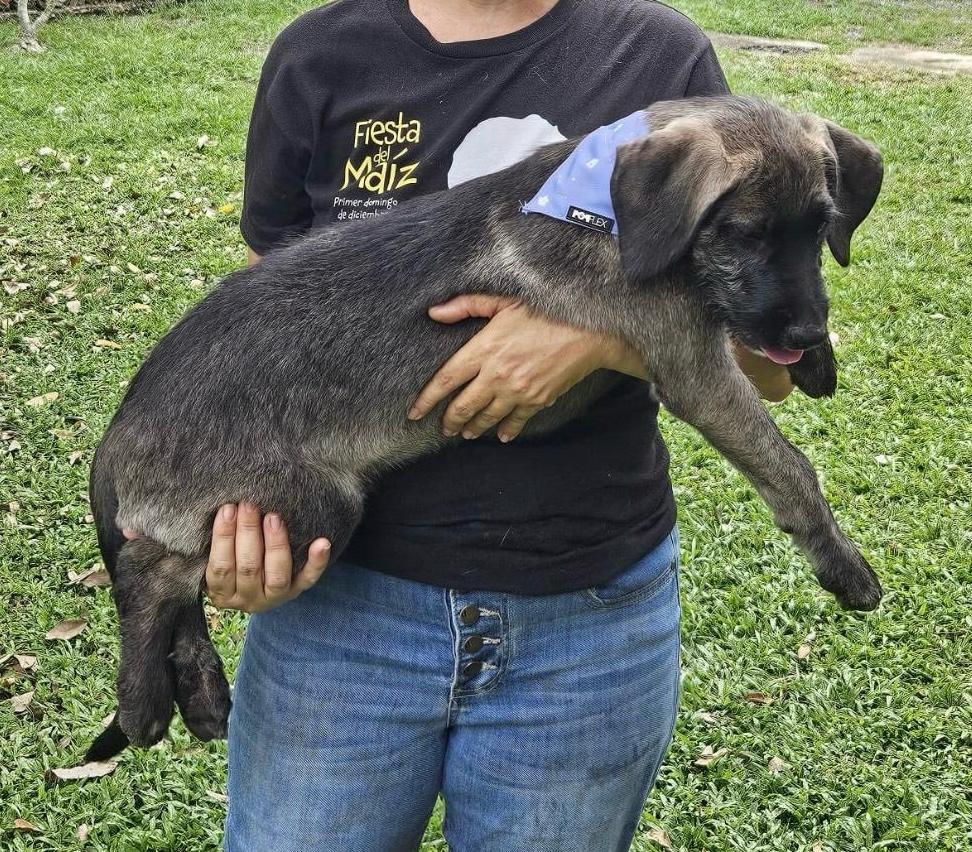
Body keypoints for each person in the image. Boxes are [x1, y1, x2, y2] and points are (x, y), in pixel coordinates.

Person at [212, 1, 793, 849]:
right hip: (342, 620)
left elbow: (769, 373)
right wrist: (249, 526)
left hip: (585, 629)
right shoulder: (323, 53)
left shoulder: (656, 54)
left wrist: (596, 336)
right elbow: (264, 339)